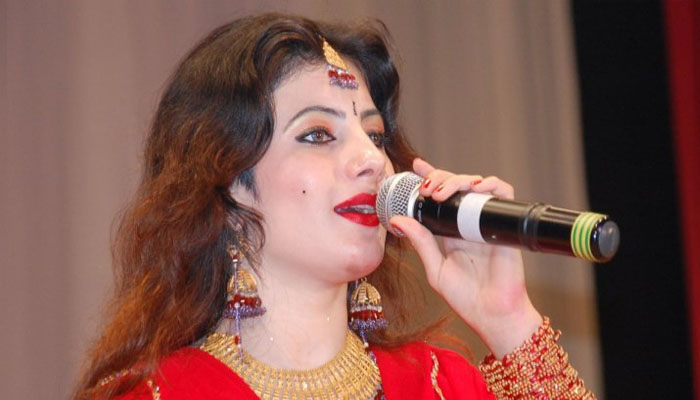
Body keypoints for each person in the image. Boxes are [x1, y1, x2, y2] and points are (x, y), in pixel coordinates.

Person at [74, 13, 595, 400]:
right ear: (229, 184)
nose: (371, 160)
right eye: (318, 134)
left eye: (375, 135)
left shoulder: (440, 384)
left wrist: (509, 322)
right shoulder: (164, 395)